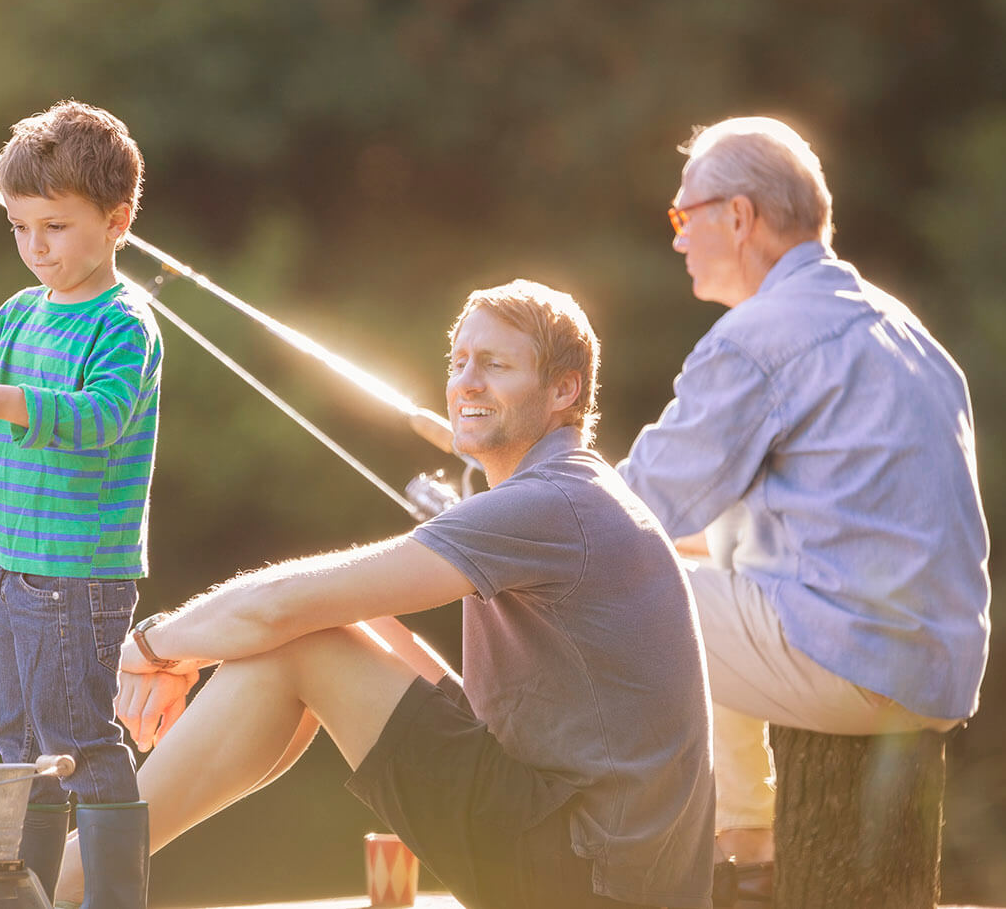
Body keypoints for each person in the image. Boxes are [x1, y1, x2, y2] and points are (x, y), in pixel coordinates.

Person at [57, 281, 715, 909]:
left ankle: (59, 883)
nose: (467, 382)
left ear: (563, 389)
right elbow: (466, 703)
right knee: (327, 628)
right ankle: (76, 874)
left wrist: (150, 647)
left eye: (496, 364)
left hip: (588, 880)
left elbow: (278, 608)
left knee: (304, 642)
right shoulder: (576, 494)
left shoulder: (551, 504)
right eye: (458, 362)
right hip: (606, 873)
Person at [616, 116, 991, 903]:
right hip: (935, 675)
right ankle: (747, 859)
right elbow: (720, 529)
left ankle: (713, 861)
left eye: (685, 217)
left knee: (621, 589)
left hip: (856, 662)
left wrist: (518, 502)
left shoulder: (756, 337)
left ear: (740, 216)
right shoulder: (906, 331)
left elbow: (631, 509)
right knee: (681, 568)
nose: (677, 238)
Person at [0, 99, 163, 909]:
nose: (37, 247)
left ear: (116, 220)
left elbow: (99, 420)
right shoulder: (17, 313)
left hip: (79, 577)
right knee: (18, 745)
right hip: (13, 568)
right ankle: (19, 898)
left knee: (82, 743)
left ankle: (114, 900)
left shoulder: (124, 323)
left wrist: (4, 399)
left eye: (56, 227)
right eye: (21, 227)